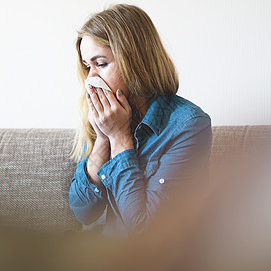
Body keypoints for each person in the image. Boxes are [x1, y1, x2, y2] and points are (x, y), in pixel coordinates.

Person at [68, 4, 212, 238]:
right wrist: (103, 138)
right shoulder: (103, 116)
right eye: (87, 67)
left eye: (101, 64)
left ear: (134, 60)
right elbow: (83, 212)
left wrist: (119, 137)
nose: (91, 79)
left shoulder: (189, 125)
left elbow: (145, 232)